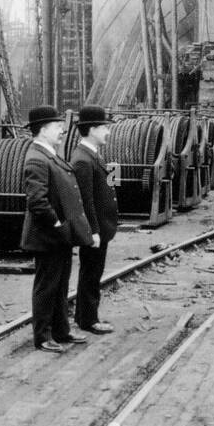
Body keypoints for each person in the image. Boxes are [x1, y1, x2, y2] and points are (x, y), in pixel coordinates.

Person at [21, 105, 94, 353]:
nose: (62, 130)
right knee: (46, 287)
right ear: (42, 130)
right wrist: (57, 224)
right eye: (57, 127)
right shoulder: (36, 158)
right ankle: (42, 337)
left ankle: (61, 331)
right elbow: (37, 202)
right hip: (48, 237)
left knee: (61, 285)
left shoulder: (50, 153)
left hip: (59, 237)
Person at [70, 104, 119, 335]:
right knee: (91, 273)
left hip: (101, 228)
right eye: (104, 127)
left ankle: (84, 316)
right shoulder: (82, 160)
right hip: (95, 230)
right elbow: (85, 201)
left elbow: (104, 189)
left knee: (93, 272)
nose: (108, 132)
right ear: (91, 129)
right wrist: (93, 232)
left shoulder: (92, 155)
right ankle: (89, 320)